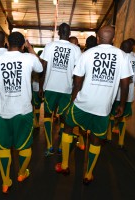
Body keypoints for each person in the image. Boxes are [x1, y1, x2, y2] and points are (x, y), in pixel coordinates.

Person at [55, 25, 133, 185]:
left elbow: (77, 81)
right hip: (102, 108)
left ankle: (64, 165)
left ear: (98, 38)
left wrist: (72, 101)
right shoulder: (122, 56)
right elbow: (125, 84)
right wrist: (122, 105)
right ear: (113, 38)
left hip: (82, 104)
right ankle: (88, 174)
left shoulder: (87, 54)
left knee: (68, 128)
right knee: (96, 140)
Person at [0, 32, 43, 194]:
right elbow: (40, 68)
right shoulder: (29, 58)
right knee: (24, 146)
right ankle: (22, 173)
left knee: (4, 147)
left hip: (4, 111)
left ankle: (5, 182)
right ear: (23, 45)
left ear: (7, 43)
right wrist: (31, 49)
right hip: (24, 111)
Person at [39, 23, 82, 156]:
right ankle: (63, 147)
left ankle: (50, 146)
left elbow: (43, 68)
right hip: (66, 88)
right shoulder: (75, 49)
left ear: (58, 33)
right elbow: (78, 74)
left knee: (47, 116)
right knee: (64, 118)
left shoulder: (50, 46)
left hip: (50, 87)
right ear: (69, 34)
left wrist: (41, 86)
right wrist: (75, 91)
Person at [106, 40, 135, 149]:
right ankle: (121, 141)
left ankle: (109, 137)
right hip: (128, 95)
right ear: (132, 48)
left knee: (111, 115)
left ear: (120, 46)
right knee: (123, 117)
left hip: (115, 94)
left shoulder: (117, 57)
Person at [32, 50, 43, 128]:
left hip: (33, 85)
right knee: (37, 106)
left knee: (33, 105)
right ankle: (36, 122)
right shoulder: (43, 63)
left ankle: (35, 122)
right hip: (39, 86)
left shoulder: (34, 63)